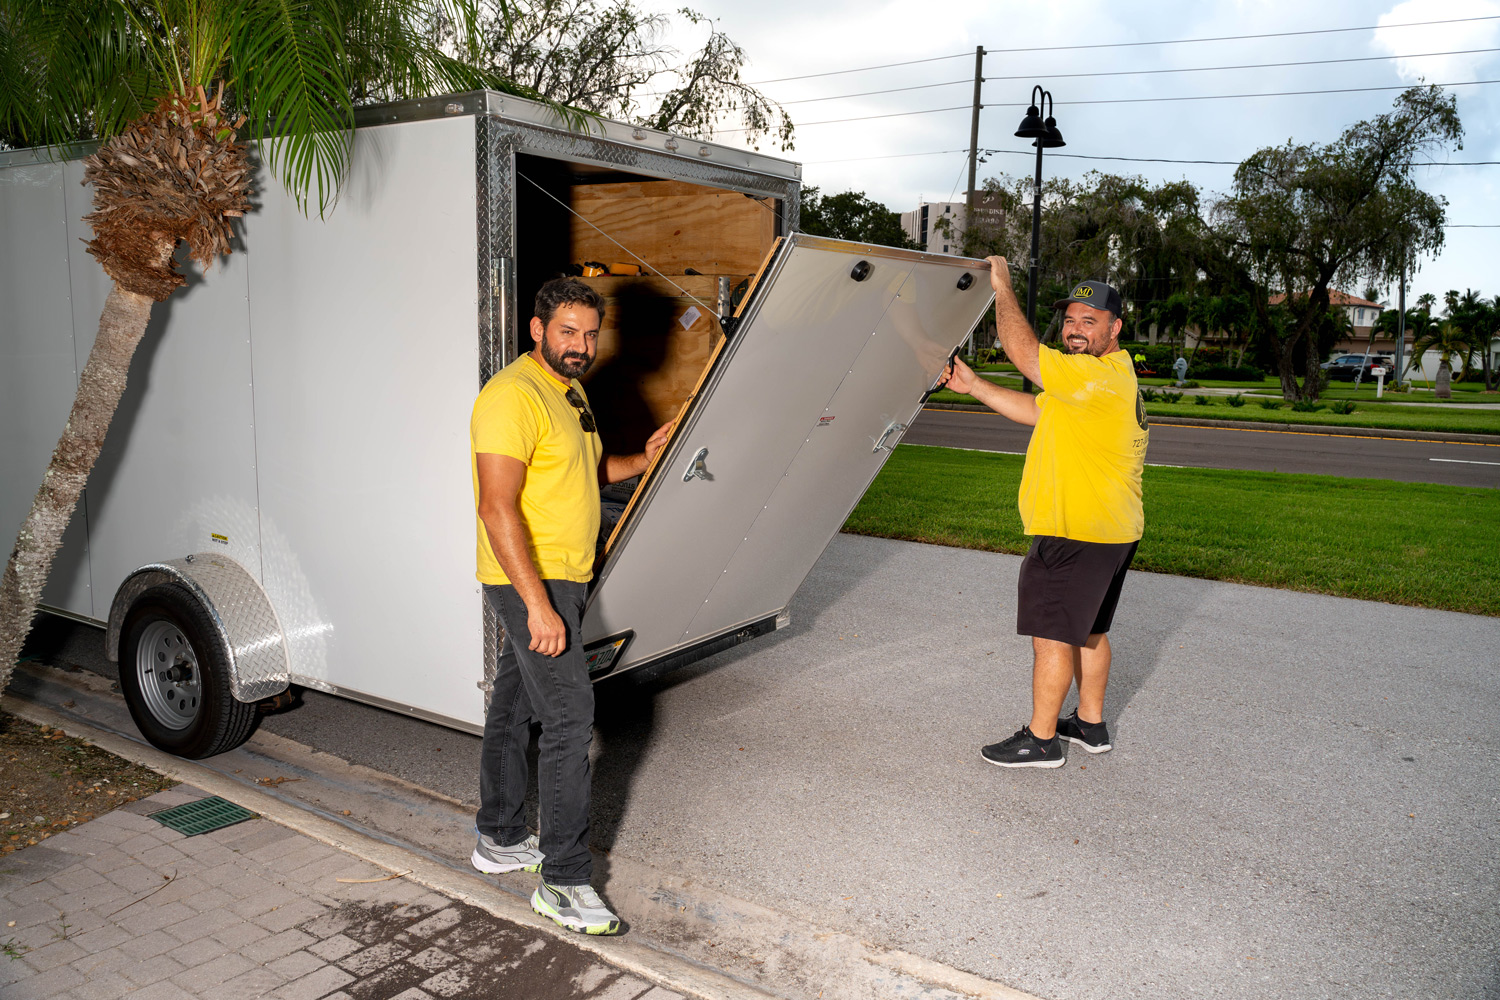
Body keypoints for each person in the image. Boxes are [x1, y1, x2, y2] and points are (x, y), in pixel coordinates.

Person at [469, 277, 673, 934]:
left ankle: (498, 838)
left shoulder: (569, 393)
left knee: (513, 708)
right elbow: (496, 507)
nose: (581, 345)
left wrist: (640, 459)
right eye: (567, 332)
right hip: (532, 579)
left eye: (590, 334)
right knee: (569, 720)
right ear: (537, 329)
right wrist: (539, 605)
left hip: (564, 576)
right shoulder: (511, 397)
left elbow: (581, 475)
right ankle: (563, 881)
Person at [938, 260, 1147, 769]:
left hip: (1075, 531)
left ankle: (1041, 739)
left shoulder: (1096, 378)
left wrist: (1002, 288)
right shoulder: (1100, 380)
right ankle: (1090, 725)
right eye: (1071, 320)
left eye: (1089, 321)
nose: (1075, 330)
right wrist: (976, 388)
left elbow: (1026, 355)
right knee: (1089, 632)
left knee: (1052, 634)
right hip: (1113, 530)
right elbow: (1038, 409)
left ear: (1115, 328)